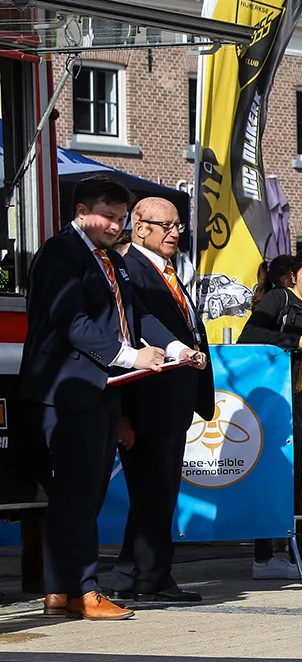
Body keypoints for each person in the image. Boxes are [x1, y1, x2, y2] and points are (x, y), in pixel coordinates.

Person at [21, 176, 203, 620]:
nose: (115, 226)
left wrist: (177, 349)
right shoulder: (60, 253)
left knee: (83, 494)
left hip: (101, 389)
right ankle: (81, 590)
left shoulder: (109, 260)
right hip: (69, 389)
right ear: (81, 211)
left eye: (121, 219)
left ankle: (60, 589)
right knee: (77, 493)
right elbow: (72, 321)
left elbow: (137, 314)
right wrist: (129, 356)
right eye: (109, 216)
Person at [106, 197, 214, 604]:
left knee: (159, 491)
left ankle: (130, 573)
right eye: (165, 226)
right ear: (140, 226)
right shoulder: (128, 269)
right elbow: (134, 329)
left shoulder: (165, 269)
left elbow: (185, 324)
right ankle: (151, 577)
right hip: (146, 398)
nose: (174, 233)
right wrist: (125, 416)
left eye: (177, 227)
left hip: (173, 397)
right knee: (154, 491)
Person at [239, 249, 302, 580]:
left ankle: (289, 554)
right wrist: (293, 340)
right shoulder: (279, 299)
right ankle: (283, 554)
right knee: (300, 478)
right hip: (285, 399)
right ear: (294, 276)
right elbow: (250, 335)